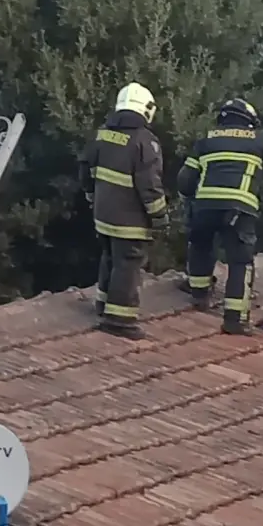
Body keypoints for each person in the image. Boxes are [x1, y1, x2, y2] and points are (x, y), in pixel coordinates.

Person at [177, 98, 263, 335]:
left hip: (205, 206)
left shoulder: (206, 140)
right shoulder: (259, 139)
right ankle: (235, 320)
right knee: (239, 261)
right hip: (239, 208)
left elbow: (185, 180)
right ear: (250, 121)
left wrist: (192, 199)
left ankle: (199, 294)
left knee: (201, 245)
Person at [79, 82, 168, 340]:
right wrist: (159, 216)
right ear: (146, 109)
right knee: (128, 263)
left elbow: (85, 169)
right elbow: (149, 185)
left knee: (110, 256)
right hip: (130, 218)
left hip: (103, 214)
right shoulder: (145, 141)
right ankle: (119, 320)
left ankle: (103, 303)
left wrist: (91, 195)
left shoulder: (102, 134)